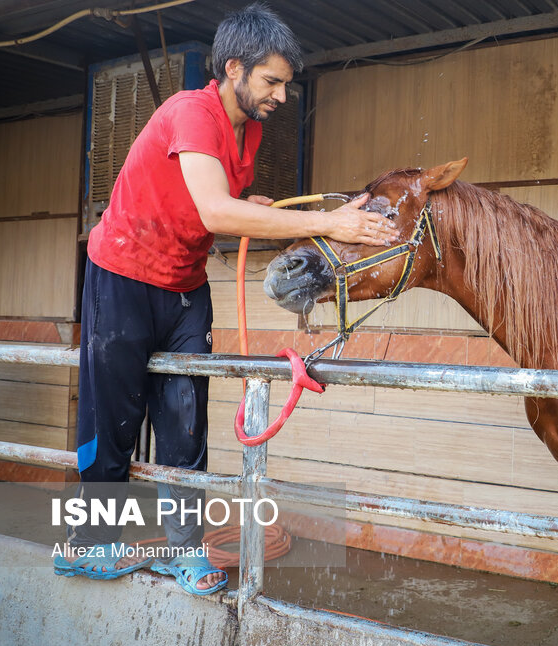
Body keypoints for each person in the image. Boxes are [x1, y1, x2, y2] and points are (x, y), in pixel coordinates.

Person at [52, 3, 397, 595]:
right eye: (272, 82)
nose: (282, 96)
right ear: (233, 67)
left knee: (185, 430)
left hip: (185, 287)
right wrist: (328, 224)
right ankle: (85, 546)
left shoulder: (251, 131)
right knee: (111, 422)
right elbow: (214, 209)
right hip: (123, 276)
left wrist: (256, 208)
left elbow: (210, 202)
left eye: (286, 85)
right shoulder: (192, 112)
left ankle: (184, 554)